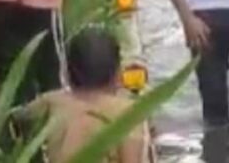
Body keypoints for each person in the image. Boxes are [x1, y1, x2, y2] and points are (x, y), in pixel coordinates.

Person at [19, 28, 148, 163]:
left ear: (68, 74)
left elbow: (16, 119)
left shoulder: (52, 102)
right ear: (117, 74)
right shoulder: (129, 113)